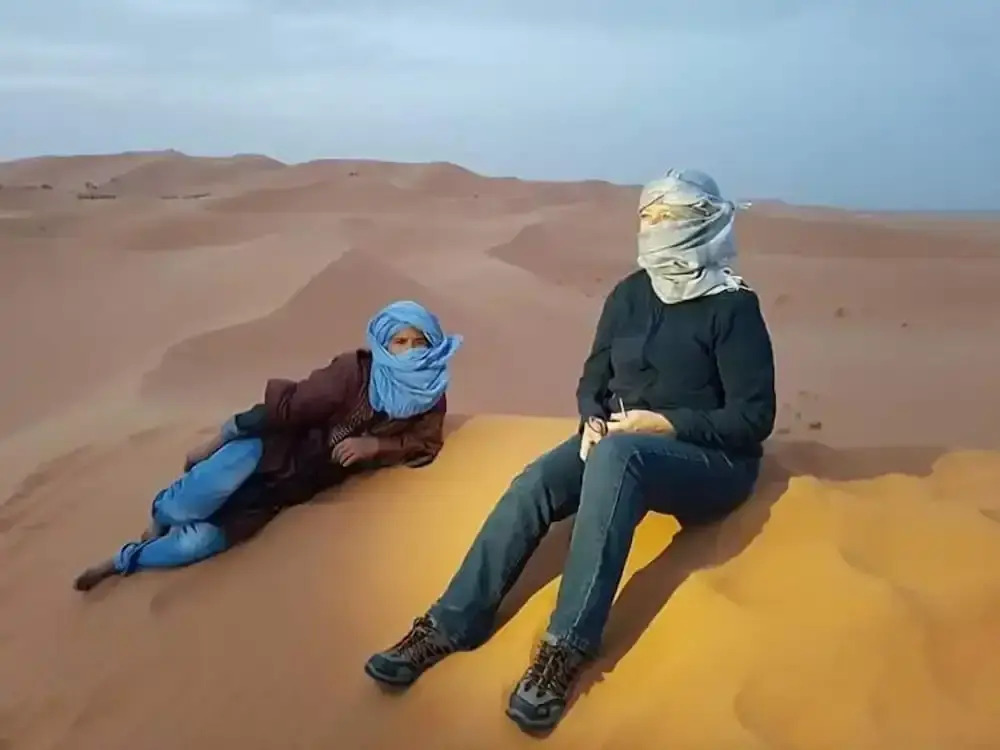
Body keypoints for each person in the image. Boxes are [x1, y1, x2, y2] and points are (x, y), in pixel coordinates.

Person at [363, 169, 776, 733]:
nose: (656, 227)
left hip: (713, 462)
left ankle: (566, 646)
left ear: (705, 220)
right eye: (648, 215)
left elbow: (752, 420)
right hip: (622, 441)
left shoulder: (732, 307)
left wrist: (666, 424)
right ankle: (450, 622)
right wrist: (591, 419)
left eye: (671, 216)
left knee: (618, 459)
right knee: (536, 482)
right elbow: (594, 377)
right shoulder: (630, 294)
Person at [73, 300, 463, 592]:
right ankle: (159, 517)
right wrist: (216, 440)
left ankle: (125, 560)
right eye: (400, 341)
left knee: (198, 544)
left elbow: (425, 442)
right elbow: (284, 409)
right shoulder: (352, 374)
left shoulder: (430, 396)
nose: (411, 351)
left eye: (420, 342)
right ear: (383, 343)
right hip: (266, 450)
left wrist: (375, 445)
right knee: (189, 503)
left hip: (290, 489)